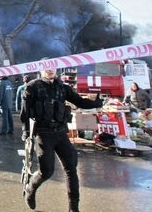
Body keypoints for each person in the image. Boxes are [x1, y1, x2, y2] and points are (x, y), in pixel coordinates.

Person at [20, 66, 103, 212]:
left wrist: (97, 102)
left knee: (71, 168)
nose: (50, 70)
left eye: (53, 67)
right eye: (46, 68)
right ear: (40, 70)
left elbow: (80, 102)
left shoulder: (63, 88)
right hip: (43, 134)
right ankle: (30, 189)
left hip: (61, 133)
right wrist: (26, 132)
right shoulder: (32, 87)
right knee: (46, 171)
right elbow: (25, 113)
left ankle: (74, 208)